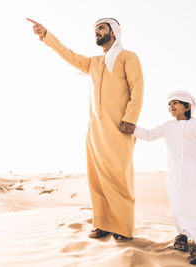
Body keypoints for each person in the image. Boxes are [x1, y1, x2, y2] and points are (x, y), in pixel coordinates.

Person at [27, 17, 144, 240]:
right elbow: (68, 54)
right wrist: (46, 36)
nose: (97, 32)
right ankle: (103, 223)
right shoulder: (93, 63)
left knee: (119, 177)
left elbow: (137, 89)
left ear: (114, 31)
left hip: (120, 128)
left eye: (101, 28)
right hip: (95, 130)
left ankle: (123, 227)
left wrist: (130, 119)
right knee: (97, 178)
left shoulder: (129, 57)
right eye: (95, 29)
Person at [131, 91, 196, 264]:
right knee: (179, 206)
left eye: (176, 103)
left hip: (195, 175)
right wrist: (132, 129)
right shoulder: (168, 126)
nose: (171, 106)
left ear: (188, 107)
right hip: (175, 177)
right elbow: (149, 135)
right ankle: (182, 236)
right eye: (169, 104)